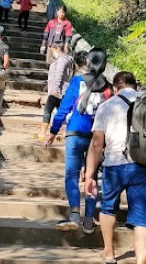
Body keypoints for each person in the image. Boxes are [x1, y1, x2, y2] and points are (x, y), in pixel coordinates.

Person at [83, 71, 146, 264]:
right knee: (143, 219)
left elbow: (96, 144)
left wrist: (90, 175)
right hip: (143, 166)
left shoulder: (107, 106)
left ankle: (109, 251)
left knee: (108, 207)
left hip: (114, 165)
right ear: (136, 85)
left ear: (115, 87)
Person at [45, 48, 111, 233]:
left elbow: (64, 108)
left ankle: (74, 214)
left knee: (71, 175)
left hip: (74, 132)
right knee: (91, 177)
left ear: (88, 63)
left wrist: (53, 130)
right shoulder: (109, 89)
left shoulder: (77, 81)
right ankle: (89, 220)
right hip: (96, 139)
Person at [37, 44, 75, 140]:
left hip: (58, 91)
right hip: (63, 90)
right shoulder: (67, 60)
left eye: (52, 50)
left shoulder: (62, 60)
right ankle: (64, 133)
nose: (51, 52)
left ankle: (42, 132)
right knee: (62, 112)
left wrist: (54, 89)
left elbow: (59, 74)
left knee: (48, 110)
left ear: (58, 48)